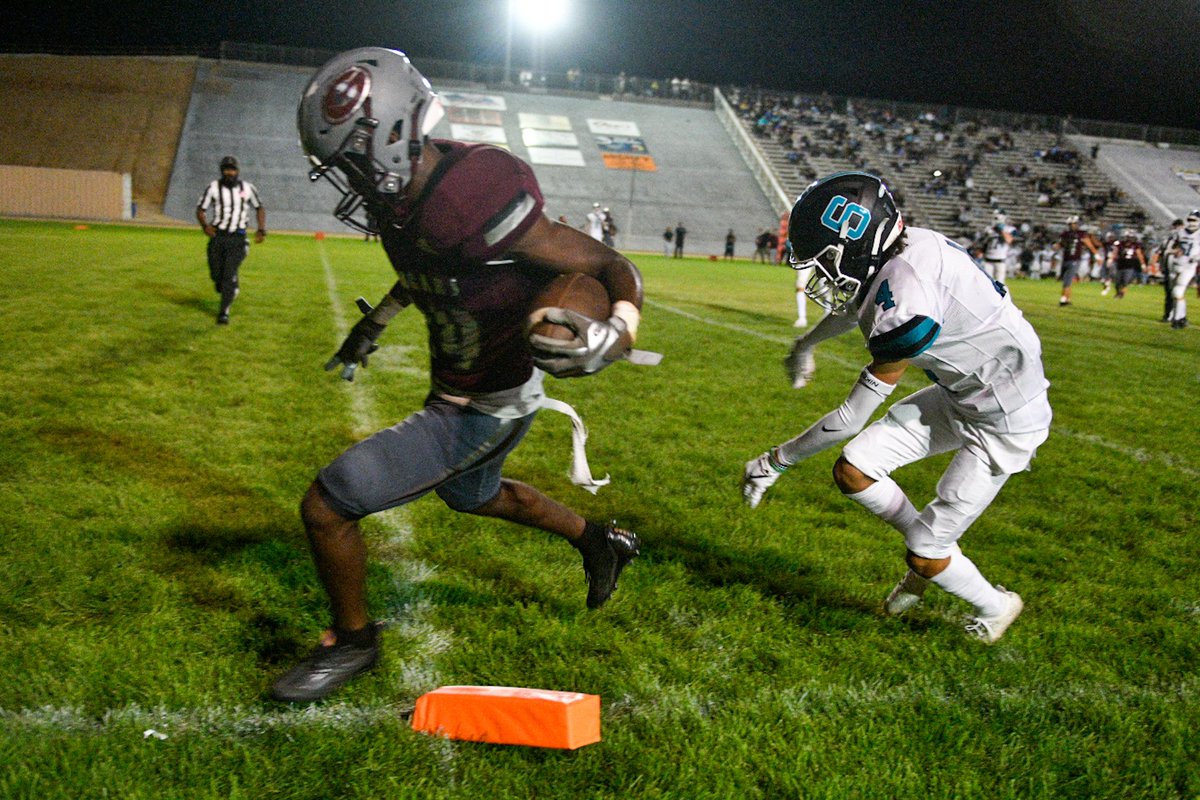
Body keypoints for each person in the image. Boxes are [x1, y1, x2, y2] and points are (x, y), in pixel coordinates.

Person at [273, 48, 644, 703]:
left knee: (327, 505)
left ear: (389, 134)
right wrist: (376, 323)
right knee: (474, 496)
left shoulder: (475, 194)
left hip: (486, 404)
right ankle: (600, 541)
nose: (349, 180)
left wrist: (618, 328)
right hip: (460, 387)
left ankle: (353, 642)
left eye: (352, 161)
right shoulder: (405, 202)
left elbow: (608, 265)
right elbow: (427, 271)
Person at [743, 172, 1051, 643]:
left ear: (857, 245)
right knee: (854, 472)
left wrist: (774, 462)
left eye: (824, 260)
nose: (816, 275)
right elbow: (859, 305)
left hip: (1004, 420)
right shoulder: (909, 247)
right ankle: (930, 547)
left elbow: (849, 418)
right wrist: (806, 345)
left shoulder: (910, 302)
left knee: (926, 553)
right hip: (965, 394)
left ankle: (994, 605)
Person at [195, 155, 266, 324]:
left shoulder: (247, 188)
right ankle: (229, 287)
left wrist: (261, 229)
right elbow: (200, 209)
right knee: (216, 275)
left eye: (232, 169)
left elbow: (259, 207)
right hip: (218, 236)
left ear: (238, 171)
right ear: (222, 171)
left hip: (238, 238)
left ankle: (224, 312)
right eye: (226, 169)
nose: (230, 173)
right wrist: (205, 226)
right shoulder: (213, 187)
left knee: (228, 275)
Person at [1052, 215, 1099, 306]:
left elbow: (1090, 245)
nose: (1073, 226)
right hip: (1066, 259)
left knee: (1067, 280)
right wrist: (1055, 246)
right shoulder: (1065, 234)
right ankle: (1068, 299)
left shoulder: (1081, 234)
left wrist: (1097, 256)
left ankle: (1063, 299)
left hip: (1075, 260)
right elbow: (1060, 244)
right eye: (1071, 224)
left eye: (1074, 224)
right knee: (1066, 279)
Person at [1166, 210, 1200, 329]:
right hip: (1176, 264)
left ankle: (1176, 320)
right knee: (1175, 293)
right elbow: (1170, 248)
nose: (1191, 222)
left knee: (1177, 291)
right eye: (1190, 220)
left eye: (1194, 220)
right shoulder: (1179, 232)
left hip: (1189, 266)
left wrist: (1196, 257)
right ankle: (1182, 318)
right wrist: (1174, 251)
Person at [1150, 219, 1184, 321]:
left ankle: (1173, 315)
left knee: (1173, 292)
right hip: (1171, 269)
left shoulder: (1173, 239)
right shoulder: (1169, 240)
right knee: (1172, 293)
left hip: (1175, 268)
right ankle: (1172, 315)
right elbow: (1159, 253)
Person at [977, 210, 1015, 285]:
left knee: (1000, 284)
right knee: (986, 283)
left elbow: (1009, 240)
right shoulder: (988, 229)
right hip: (988, 260)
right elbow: (983, 243)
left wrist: (1001, 230)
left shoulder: (1009, 229)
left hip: (1000, 260)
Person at [1109, 229, 1145, 299]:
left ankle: (1121, 294)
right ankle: (1118, 292)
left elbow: (1139, 254)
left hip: (1130, 265)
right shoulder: (1120, 244)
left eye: (1130, 237)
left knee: (1126, 281)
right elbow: (1115, 252)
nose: (1129, 239)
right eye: (1128, 237)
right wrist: (1111, 259)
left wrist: (1143, 264)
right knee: (1117, 282)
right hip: (1120, 264)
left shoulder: (1135, 245)